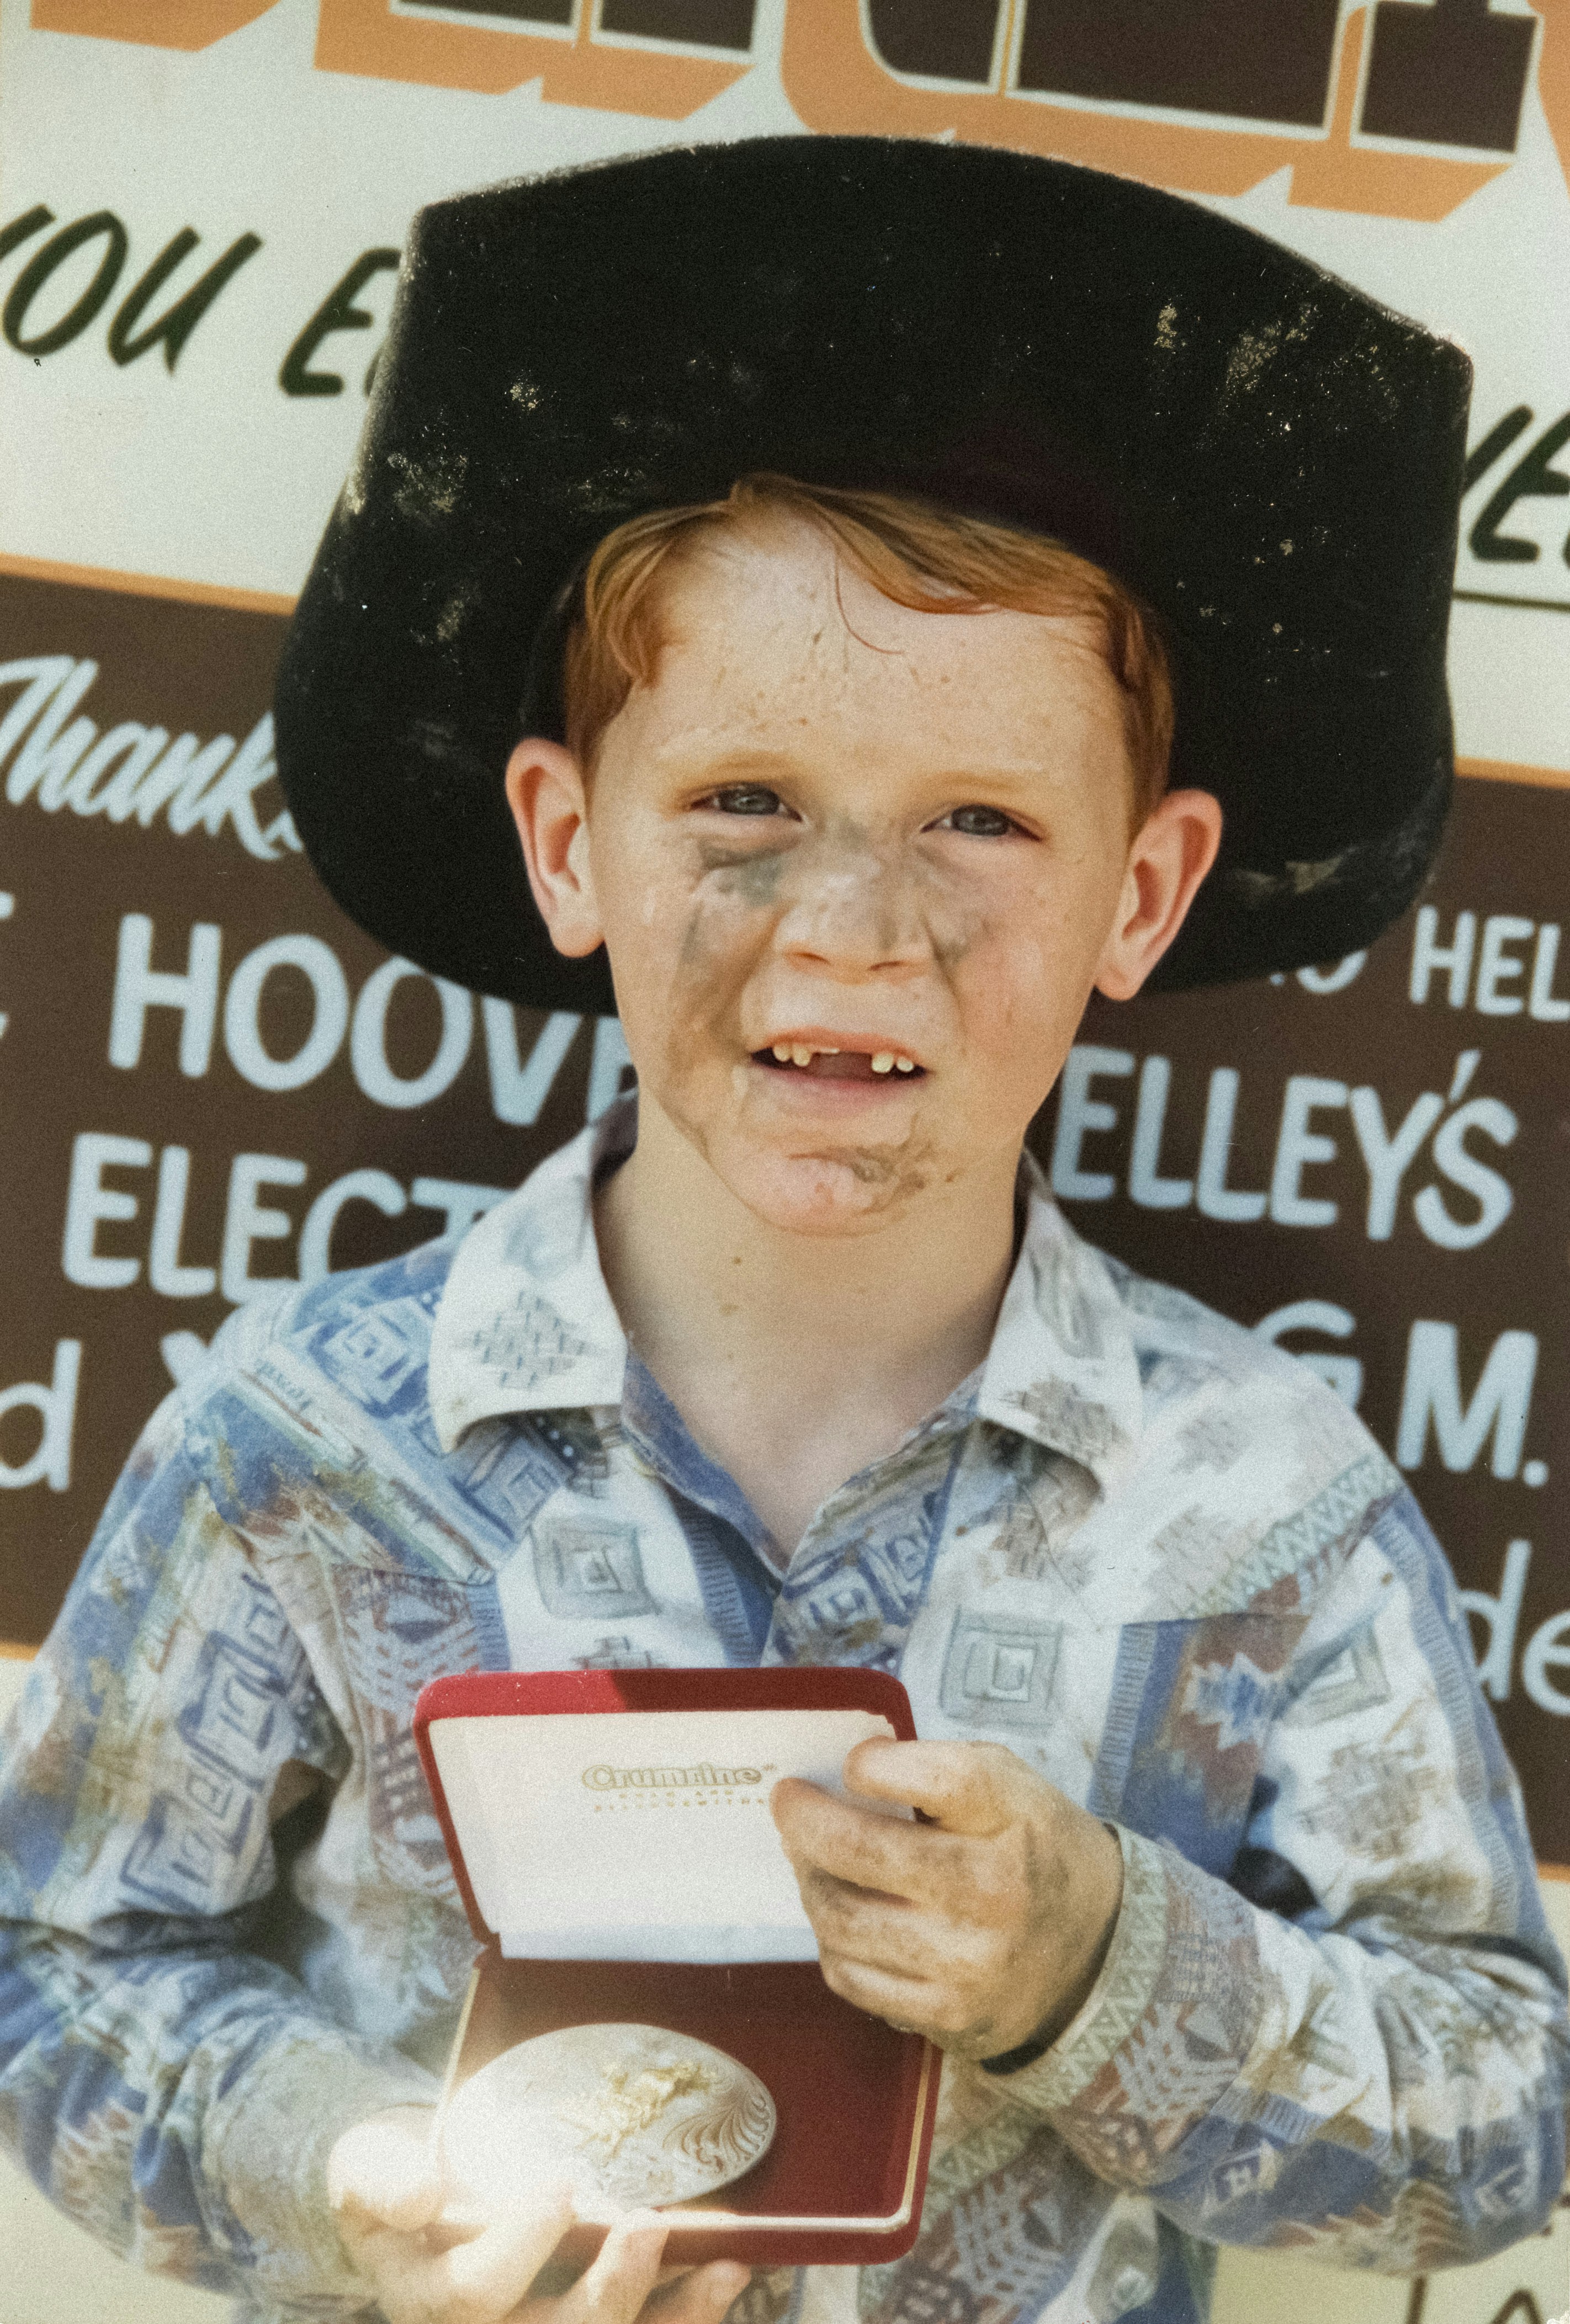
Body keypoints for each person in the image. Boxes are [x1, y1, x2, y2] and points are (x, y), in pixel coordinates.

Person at [1, 138, 1566, 2324]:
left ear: (1145, 891)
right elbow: (56, 1964)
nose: (850, 934)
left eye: (982, 823)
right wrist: (347, 2173)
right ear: (568, 844)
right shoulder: (304, 1448)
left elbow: (1501, 2107)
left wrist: (1100, 1964)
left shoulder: (1268, 1518)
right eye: (743, 803)